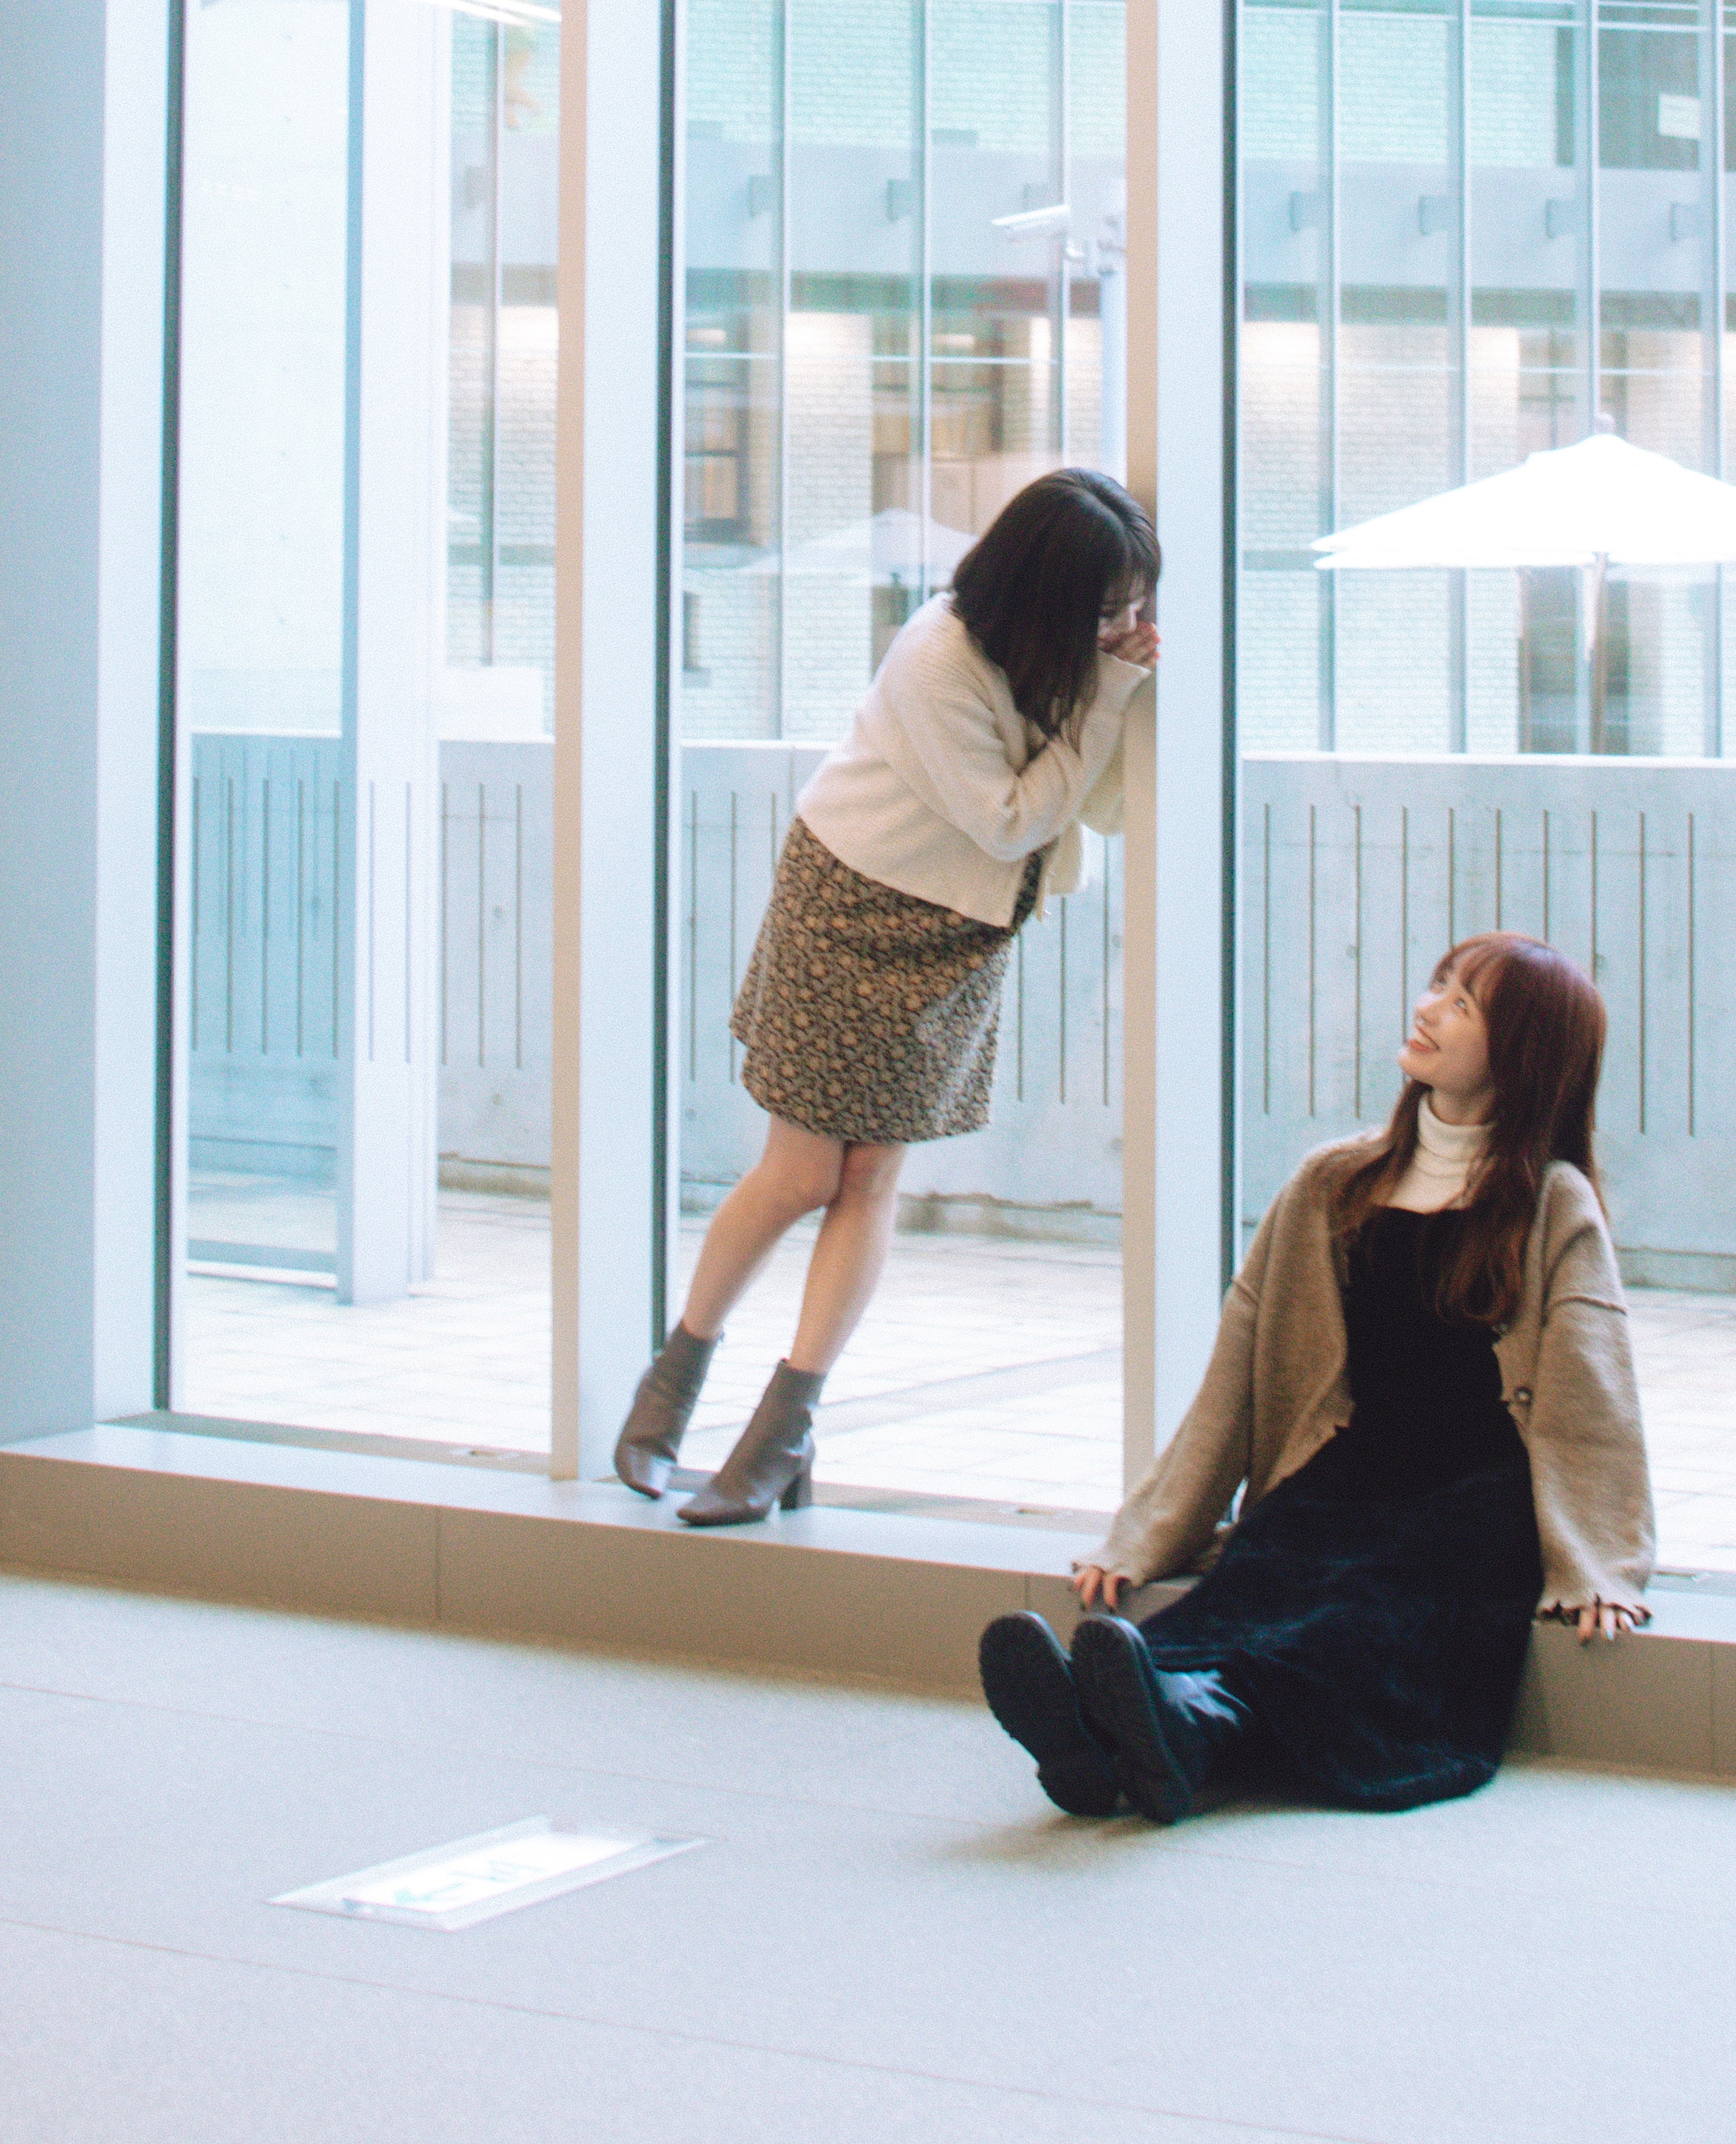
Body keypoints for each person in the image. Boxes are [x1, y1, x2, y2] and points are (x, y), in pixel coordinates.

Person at [977, 930, 1653, 1822]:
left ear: (1523, 1052)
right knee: (1252, 1588)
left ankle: (1151, 1730)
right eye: (1436, 986)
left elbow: (1589, 1390)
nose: (1427, 1009)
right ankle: (1110, 1730)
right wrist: (1145, 1536)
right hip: (1337, 1475)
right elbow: (1237, 1378)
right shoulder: (1331, 1182)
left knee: (1357, 1618)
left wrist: (1600, 1567)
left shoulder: (1548, 1201)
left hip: (1472, 1504)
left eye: (1463, 1004)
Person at [612, 467, 1161, 1528]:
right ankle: (672, 1378)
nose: (1128, 626)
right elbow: (1008, 819)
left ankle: (784, 1426)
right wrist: (1105, 697)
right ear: (1041, 590)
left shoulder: (1066, 658)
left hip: (961, 928)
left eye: (1136, 604)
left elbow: (1097, 804)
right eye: (1106, 608)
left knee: (870, 1178)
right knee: (796, 1173)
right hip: (849, 899)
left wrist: (1113, 688)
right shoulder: (937, 654)